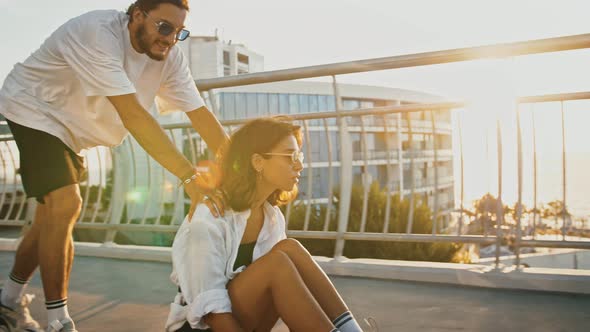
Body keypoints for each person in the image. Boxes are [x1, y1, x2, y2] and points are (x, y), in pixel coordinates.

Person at [0, 1, 228, 331]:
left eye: (179, 32)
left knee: (50, 216)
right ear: (137, 15)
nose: (170, 39)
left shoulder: (170, 57)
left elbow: (201, 116)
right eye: (164, 27)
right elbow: (134, 116)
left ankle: (7, 301)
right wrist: (188, 175)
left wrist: (243, 165)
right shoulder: (98, 33)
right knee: (66, 204)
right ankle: (59, 321)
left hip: (71, 130)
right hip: (34, 106)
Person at [165, 117, 364, 332]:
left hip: (241, 322)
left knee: (289, 249)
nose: (300, 164)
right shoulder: (209, 218)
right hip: (204, 327)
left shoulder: (272, 218)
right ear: (258, 162)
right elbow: (213, 315)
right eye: (290, 156)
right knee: (276, 264)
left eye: (299, 155)